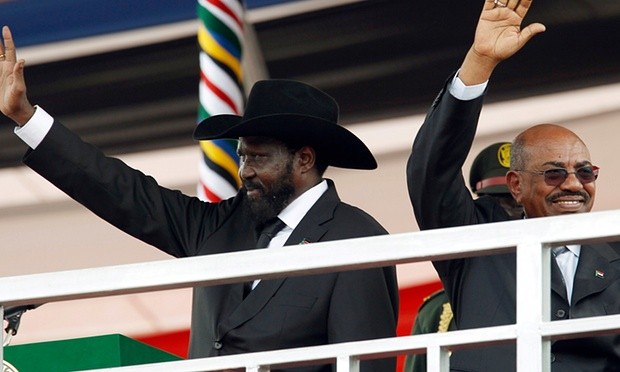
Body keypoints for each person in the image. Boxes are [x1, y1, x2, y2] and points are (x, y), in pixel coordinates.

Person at [0, 26, 398, 371]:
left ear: (304, 159)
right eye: (242, 155)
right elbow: (121, 192)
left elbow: (365, 363)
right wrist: (26, 117)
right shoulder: (221, 225)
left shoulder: (355, 238)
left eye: (258, 158)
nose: (244, 171)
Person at [407, 0, 620, 371]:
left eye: (585, 172)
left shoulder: (614, 250)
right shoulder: (476, 244)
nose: (573, 184)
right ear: (516, 186)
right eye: (554, 173)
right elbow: (431, 170)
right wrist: (480, 61)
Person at [404, 142, 522, 372]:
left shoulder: (565, 288)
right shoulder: (438, 312)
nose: (510, 216)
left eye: (519, 205)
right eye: (498, 205)